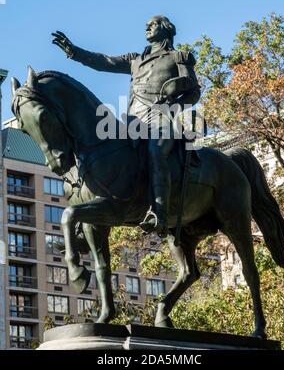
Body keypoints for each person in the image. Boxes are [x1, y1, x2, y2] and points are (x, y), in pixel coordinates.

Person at [52, 15, 200, 236]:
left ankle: (158, 212)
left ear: (166, 29)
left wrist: (174, 100)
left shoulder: (179, 57)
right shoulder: (135, 59)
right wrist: (74, 52)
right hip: (133, 122)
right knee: (105, 153)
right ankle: (88, 221)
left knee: (155, 150)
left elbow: (193, 93)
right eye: (147, 24)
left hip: (162, 119)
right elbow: (103, 61)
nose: (147, 26)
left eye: (153, 24)